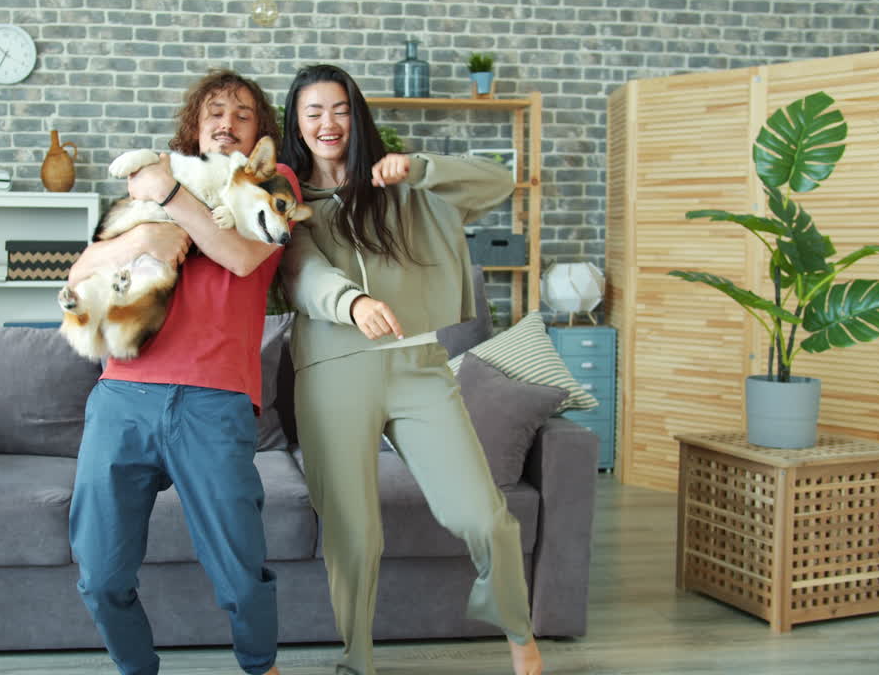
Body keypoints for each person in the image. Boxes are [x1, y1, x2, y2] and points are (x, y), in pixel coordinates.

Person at [277, 64, 544, 675]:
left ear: (357, 114)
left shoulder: (400, 182)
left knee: (481, 514)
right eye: (313, 111)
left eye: (339, 109)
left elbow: (499, 182)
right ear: (297, 121)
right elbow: (299, 270)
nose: (328, 123)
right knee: (354, 532)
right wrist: (351, 302)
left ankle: (520, 636)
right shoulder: (289, 200)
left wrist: (419, 167)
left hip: (419, 365)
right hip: (332, 371)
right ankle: (358, 660)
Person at [67, 69, 300, 675]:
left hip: (215, 402)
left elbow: (242, 256)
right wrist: (143, 231)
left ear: (260, 133)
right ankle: (135, 668)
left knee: (240, 572)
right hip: (123, 394)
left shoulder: (272, 183)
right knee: (97, 574)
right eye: (215, 112)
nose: (227, 122)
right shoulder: (151, 195)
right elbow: (77, 275)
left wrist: (169, 198)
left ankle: (260, 665)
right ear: (195, 127)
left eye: (243, 114)